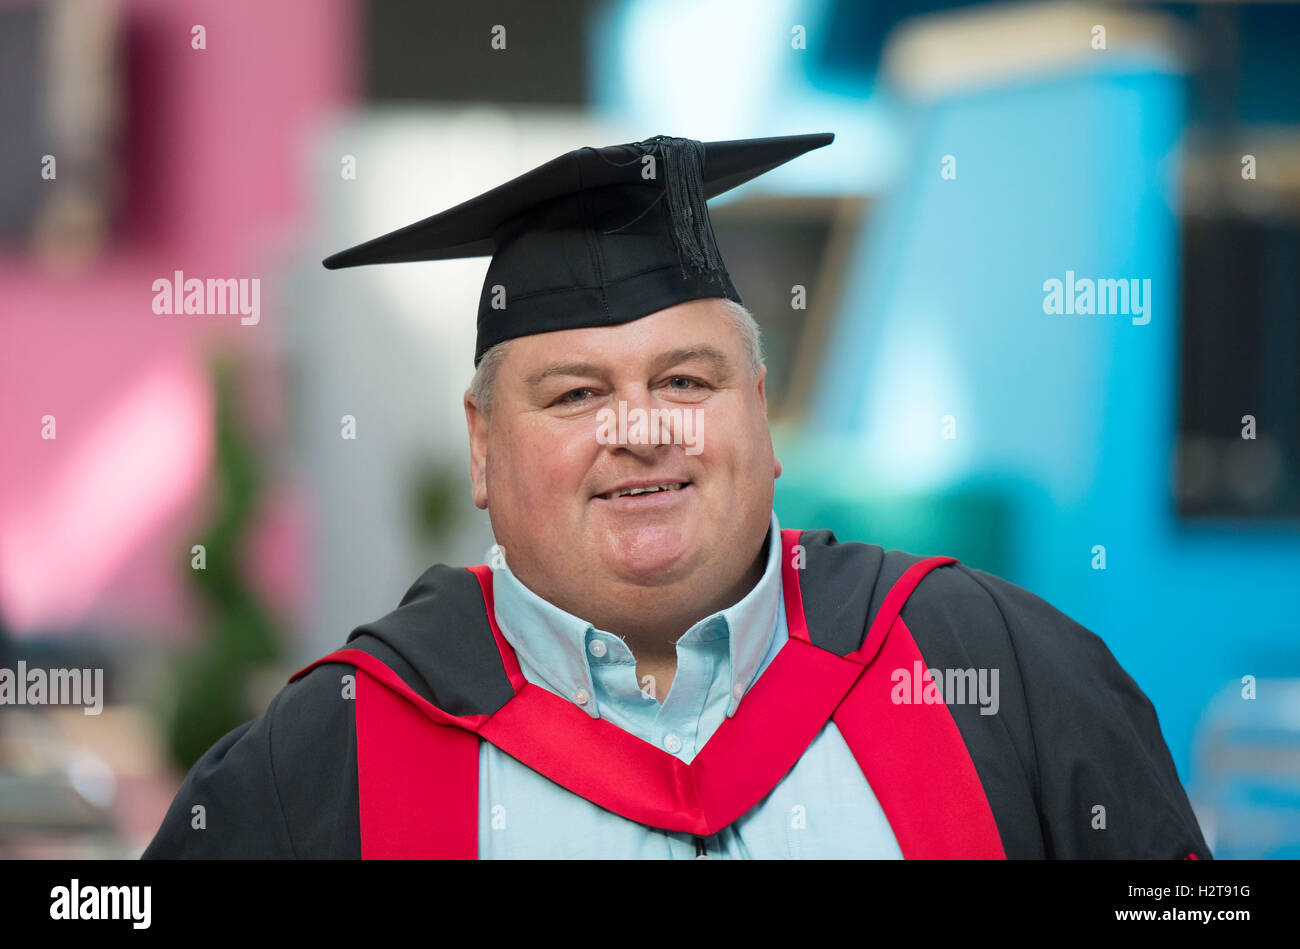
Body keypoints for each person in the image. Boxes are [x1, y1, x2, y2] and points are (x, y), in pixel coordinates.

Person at [143, 133, 1210, 859]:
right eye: (574, 394)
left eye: (685, 381)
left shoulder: (997, 670)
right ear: (480, 448)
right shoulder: (328, 754)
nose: (640, 428)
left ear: (759, 411)